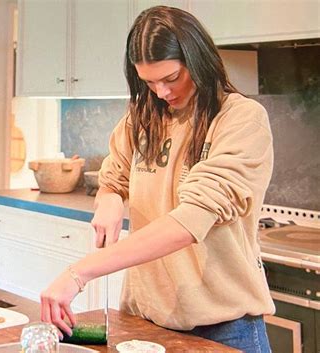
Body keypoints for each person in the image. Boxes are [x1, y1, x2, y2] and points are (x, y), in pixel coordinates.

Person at [40, 6, 274, 353]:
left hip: (222, 327)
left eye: (172, 78)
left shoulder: (240, 119)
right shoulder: (143, 116)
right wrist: (109, 200)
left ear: (198, 60)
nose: (162, 92)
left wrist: (80, 272)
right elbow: (114, 177)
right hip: (144, 319)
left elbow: (190, 220)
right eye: (149, 82)